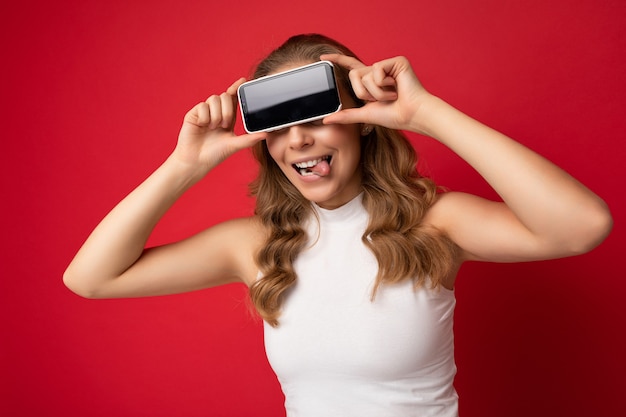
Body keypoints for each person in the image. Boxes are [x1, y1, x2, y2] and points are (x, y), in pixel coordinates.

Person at [63, 34, 612, 416]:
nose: (298, 140)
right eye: (278, 128)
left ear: (363, 125)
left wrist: (425, 114)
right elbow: (91, 278)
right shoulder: (254, 246)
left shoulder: (435, 223)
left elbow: (581, 226)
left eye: (317, 118)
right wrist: (184, 166)